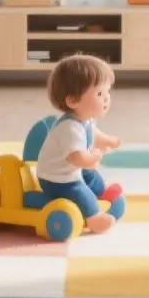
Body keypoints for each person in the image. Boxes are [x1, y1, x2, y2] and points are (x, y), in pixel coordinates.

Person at [35, 54, 123, 234]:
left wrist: (108, 140)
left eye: (107, 92)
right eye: (100, 93)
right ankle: (94, 218)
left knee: (93, 177)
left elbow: (93, 134)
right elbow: (76, 157)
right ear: (73, 100)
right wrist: (91, 160)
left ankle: (101, 194)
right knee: (79, 191)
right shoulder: (69, 128)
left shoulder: (85, 120)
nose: (106, 98)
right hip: (57, 178)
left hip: (74, 169)